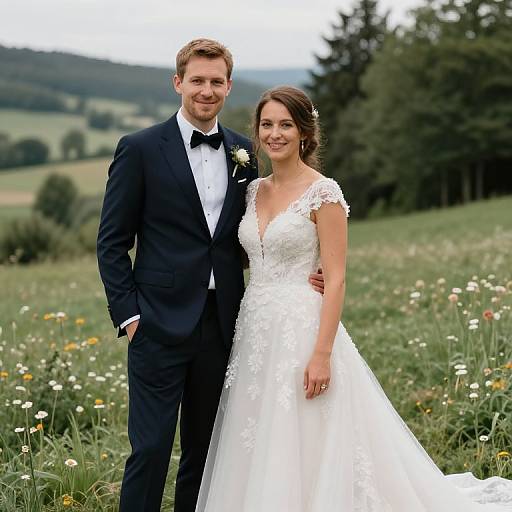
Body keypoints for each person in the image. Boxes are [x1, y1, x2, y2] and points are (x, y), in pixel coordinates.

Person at [195, 86, 512, 511]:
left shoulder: (324, 193)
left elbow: (338, 277)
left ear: (305, 133)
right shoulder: (253, 191)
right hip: (256, 328)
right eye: (267, 125)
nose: (275, 134)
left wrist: (322, 353)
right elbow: (257, 252)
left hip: (305, 327)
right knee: (261, 428)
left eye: (286, 125)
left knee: (309, 428)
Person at [96, 41, 324, 512]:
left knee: (205, 453)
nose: (206, 90)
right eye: (197, 80)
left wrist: (305, 267)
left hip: (223, 326)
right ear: (178, 83)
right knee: (151, 450)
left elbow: (250, 235)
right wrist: (129, 316)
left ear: (229, 86)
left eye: (216, 81)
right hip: (156, 324)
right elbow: (112, 242)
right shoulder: (138, 149)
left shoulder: (244, 150)